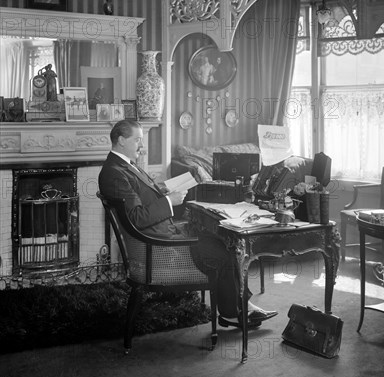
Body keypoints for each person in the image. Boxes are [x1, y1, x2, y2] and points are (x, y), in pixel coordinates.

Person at [98, 120, 277, 328]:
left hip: (162, 233)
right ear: (121, 140)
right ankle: (233, 311)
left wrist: (165, 191)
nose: (142, 145)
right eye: (137, 140)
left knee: (221, 240)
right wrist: (169, 201)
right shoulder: (114, 173)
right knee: (225, 250)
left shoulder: (124, 165)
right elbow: (136, 218)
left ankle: (238, 305)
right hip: (158, 248)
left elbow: (141, 198)